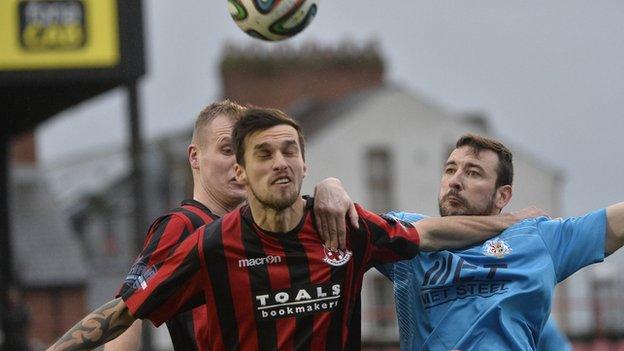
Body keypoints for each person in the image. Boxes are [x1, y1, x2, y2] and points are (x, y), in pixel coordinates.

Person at [46, 108, 539, 351]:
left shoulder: (344, 225)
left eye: (289, 153)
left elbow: (429, 233)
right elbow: (126, 313)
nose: (279, 163)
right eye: (261, 153)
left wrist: (508, 225)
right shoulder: (198, 237)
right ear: (238, 167)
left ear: (305, 163)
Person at [103, 101, 360, 351]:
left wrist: (330, 185)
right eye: (227, 150)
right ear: (195, 156)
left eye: (245, 152)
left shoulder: (260, 229)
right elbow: (127, 312)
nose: (237, 162)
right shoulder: (183, 225)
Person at [377, 134, 623, 350]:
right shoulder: (409, 237)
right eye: (450, 170)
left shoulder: (538, 238)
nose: (455, 181)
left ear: (502, 195)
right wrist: (335, 186)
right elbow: (349, 226)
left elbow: (616, 224)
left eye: (473, 173)